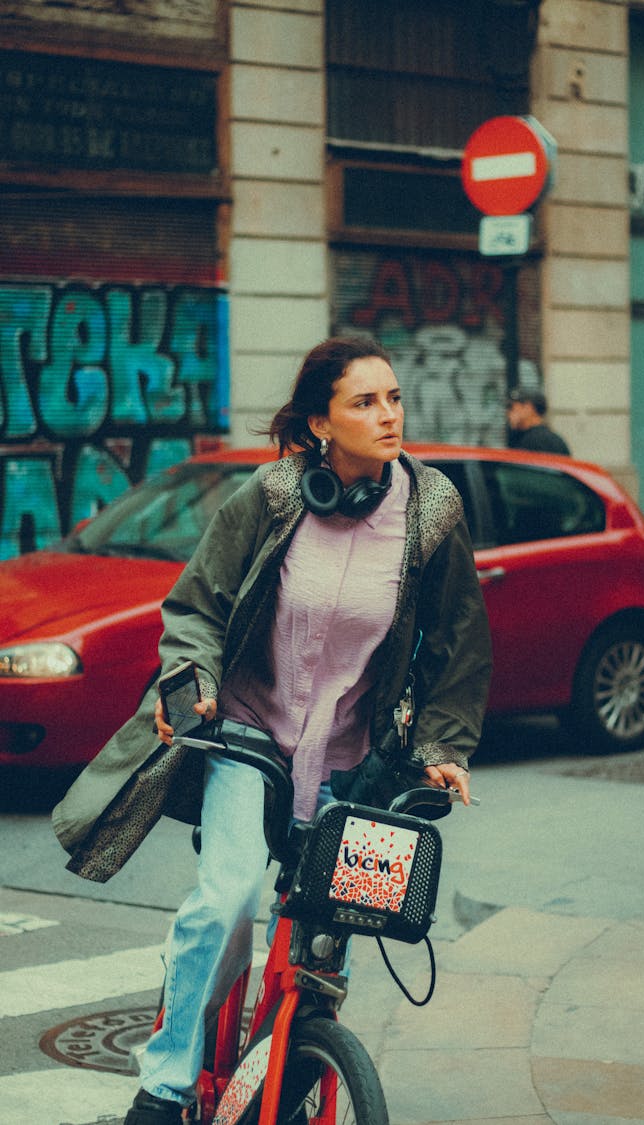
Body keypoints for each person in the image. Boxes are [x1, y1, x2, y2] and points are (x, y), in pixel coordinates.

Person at [51, 335, 493, 1124]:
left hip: (357, 767)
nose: (388, 414)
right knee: (225, 904)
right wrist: (192, 684)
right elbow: (196, 606)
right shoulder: (274, 494)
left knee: (328, 943)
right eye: (365, 401)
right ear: (322, 421)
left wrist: (441, 749)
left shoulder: (432, 510)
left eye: (393, 397)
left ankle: (300, 1060)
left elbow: (461, 642)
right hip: (249, 740)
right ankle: (165, 1084)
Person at [506, 387, 571, 455]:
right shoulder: (554, 439)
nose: (508, 412)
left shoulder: (537, 441)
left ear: (528, 408)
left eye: (511, 407)